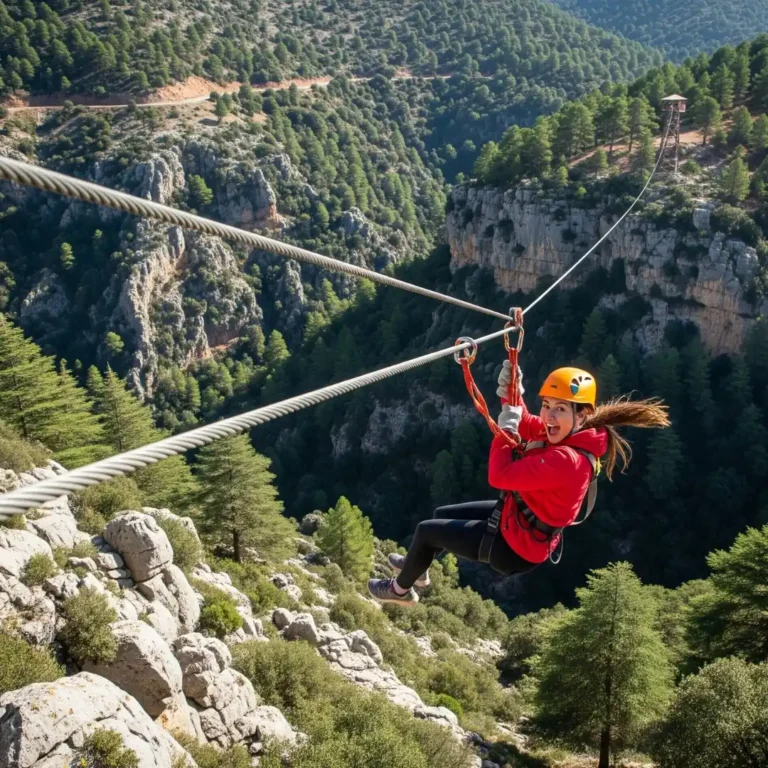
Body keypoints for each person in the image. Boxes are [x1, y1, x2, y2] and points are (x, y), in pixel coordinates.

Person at [368, 362, 670, 606]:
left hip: (514, 548)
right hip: (518, 519)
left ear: (583, 414)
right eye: (547, 405)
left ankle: (400, 590)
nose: (548, 416)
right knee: (439, 514)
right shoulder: (571, 435)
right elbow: (524, 420)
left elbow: (499, 475)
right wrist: (512, 390)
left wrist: (504, 430)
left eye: (559, 409)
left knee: (426, 531)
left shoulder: (567, 458)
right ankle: (417, 571)